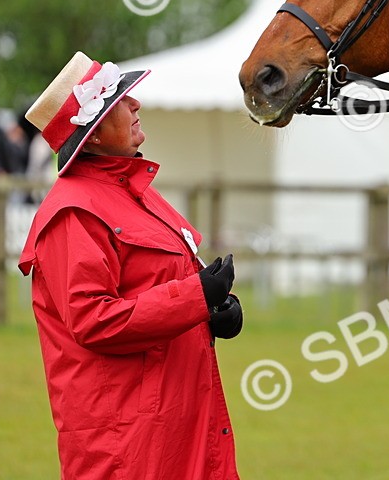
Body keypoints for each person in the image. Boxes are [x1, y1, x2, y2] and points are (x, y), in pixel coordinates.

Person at [18, 52, 242, 479]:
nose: (136, 103)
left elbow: (158, 287)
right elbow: (93, 319)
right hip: (128, 440)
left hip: (180, 420)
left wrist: (214, 312)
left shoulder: (134, 191)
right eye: (120, 99)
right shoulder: (74, 212)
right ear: (94, 135)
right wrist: (195, 296)